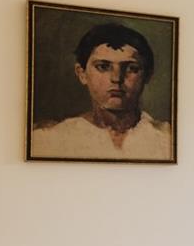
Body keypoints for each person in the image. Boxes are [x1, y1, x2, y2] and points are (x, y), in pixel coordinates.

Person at [30, 22, 172, 160]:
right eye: (103, 67)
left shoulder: (168, 138)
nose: (116, 79)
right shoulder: (50, 139)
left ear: (147, 75)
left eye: (131, 68)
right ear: (82, 73)